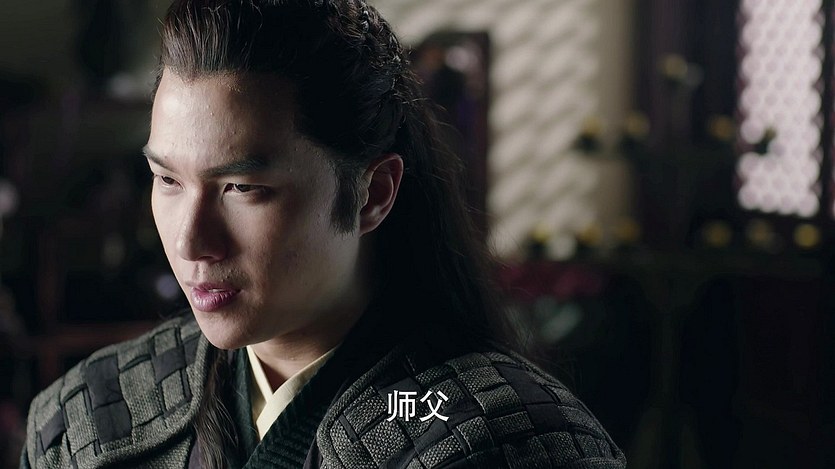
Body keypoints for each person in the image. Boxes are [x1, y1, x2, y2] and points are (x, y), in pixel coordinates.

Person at [21, 0, 626, 467]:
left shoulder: (504, 444)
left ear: (373, 193)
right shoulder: (83, 421)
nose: (190, 242)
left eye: (243, 188)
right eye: (167, 180)